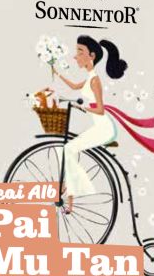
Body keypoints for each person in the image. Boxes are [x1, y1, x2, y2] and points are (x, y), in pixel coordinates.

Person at [54, 35, 126, 214]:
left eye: (80, 52)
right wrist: (57, 73)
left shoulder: (95, 81)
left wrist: (83, 108)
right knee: (68, 150)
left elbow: (100, 109)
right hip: (99, 127)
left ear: (91, 56)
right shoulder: (89, 79)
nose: (75, 56)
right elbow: (73, 86)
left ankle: (73, 186)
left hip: (104, 129)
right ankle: (69, 194)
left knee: (68, 148)